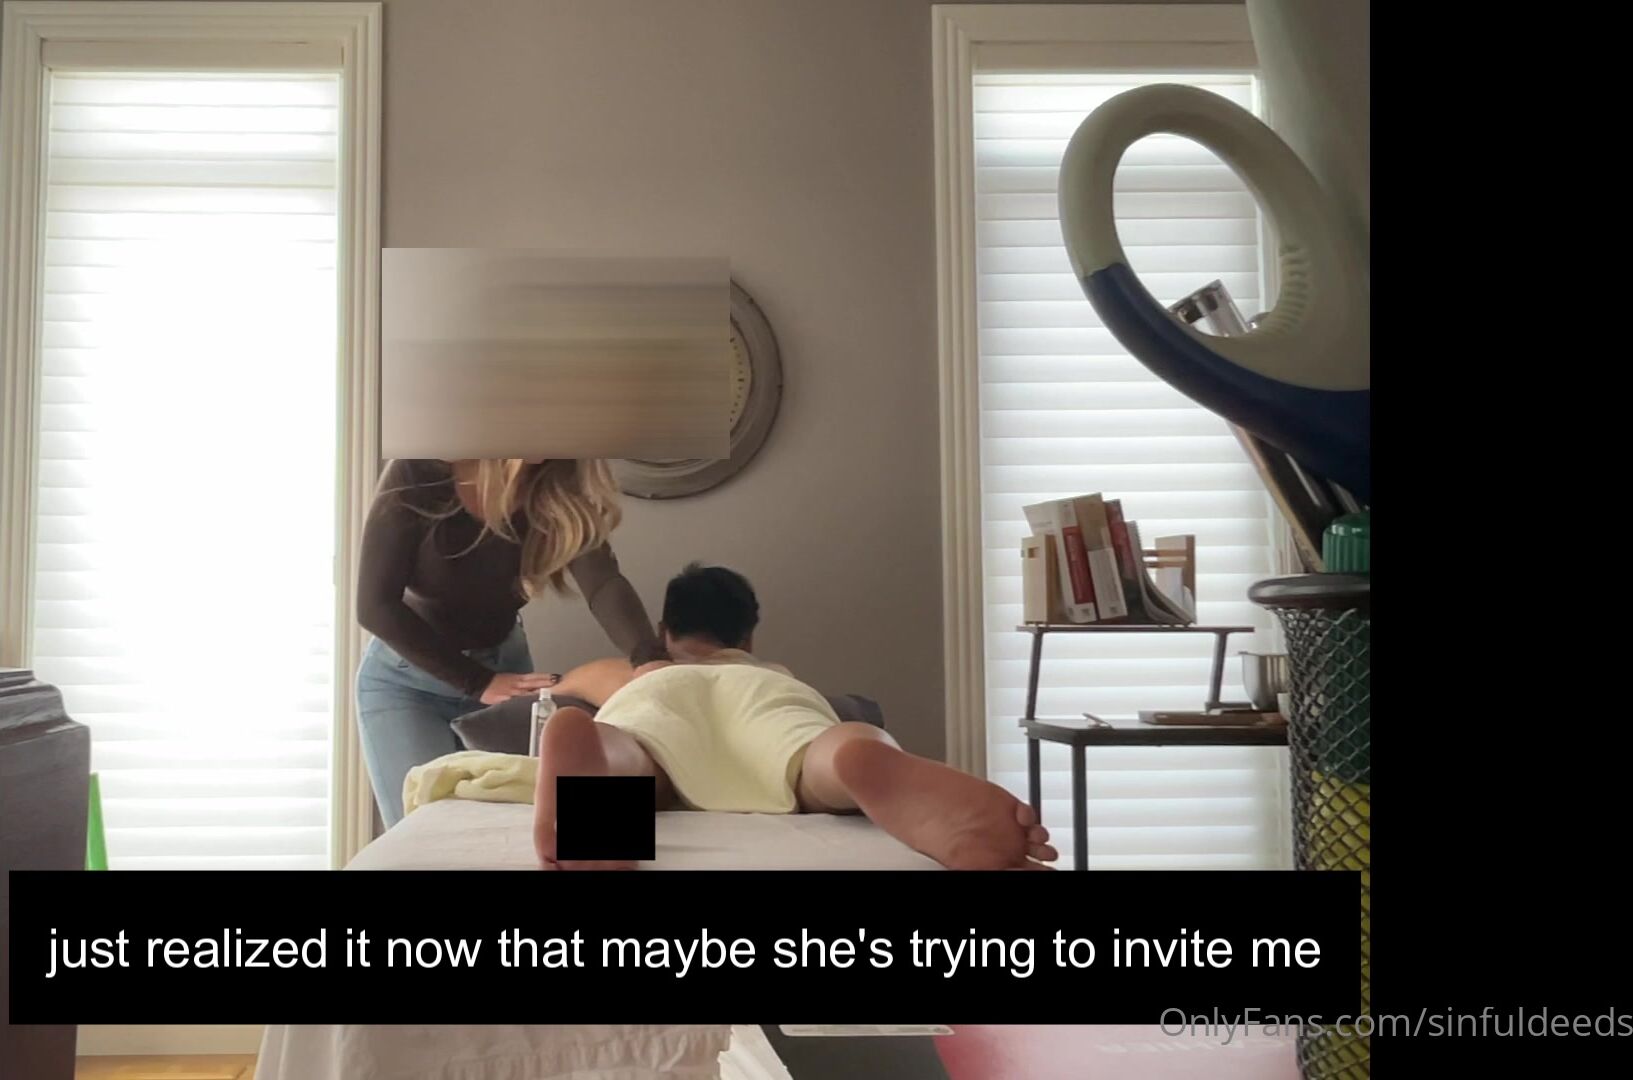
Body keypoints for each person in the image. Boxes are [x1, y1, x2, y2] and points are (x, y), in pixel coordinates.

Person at [534, 563, 1058, 871]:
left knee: (634, 753)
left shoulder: (646, 671)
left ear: (664, 631)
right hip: (764, 703)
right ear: (747, 638)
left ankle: (601, 760)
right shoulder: (771, 673)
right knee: (811, 757)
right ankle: (860, 754)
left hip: (661, 701)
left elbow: (574, 681)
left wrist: (562, 685)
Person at [356, 458, 666, 827]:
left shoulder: (558, 484)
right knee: (429, 833)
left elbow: (602, 584)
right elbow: (374, 606)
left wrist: (650, 657)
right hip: (408, 685)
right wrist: (478, 681)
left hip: (505, 669)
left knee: (513, 829)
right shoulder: (419, 470)